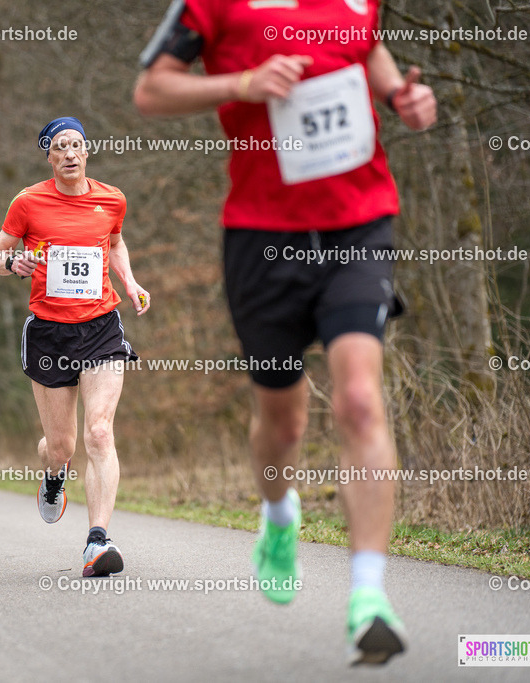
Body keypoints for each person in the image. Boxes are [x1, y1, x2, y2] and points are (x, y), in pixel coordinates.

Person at [133, 0, 437, 665]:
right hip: (261, 237)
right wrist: (242, 83)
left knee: (359, 399)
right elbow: (152, 89)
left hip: (359, 222)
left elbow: (365, 46)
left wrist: (399, 96)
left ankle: (369, 597)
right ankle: (278, 516)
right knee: (283, 419)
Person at [0, 116, 150, 578]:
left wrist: (130, 282)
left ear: (87, 151)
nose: (70, 153)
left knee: (99, 432)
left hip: (100, 326)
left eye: (77, 144)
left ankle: (98, 540)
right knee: (61, 446)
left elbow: (114, 243)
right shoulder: (28, 201)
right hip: (49, 332)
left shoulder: (112, 198)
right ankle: (54, 474)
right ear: (50, 156)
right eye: (60, 146)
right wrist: (12, 263)